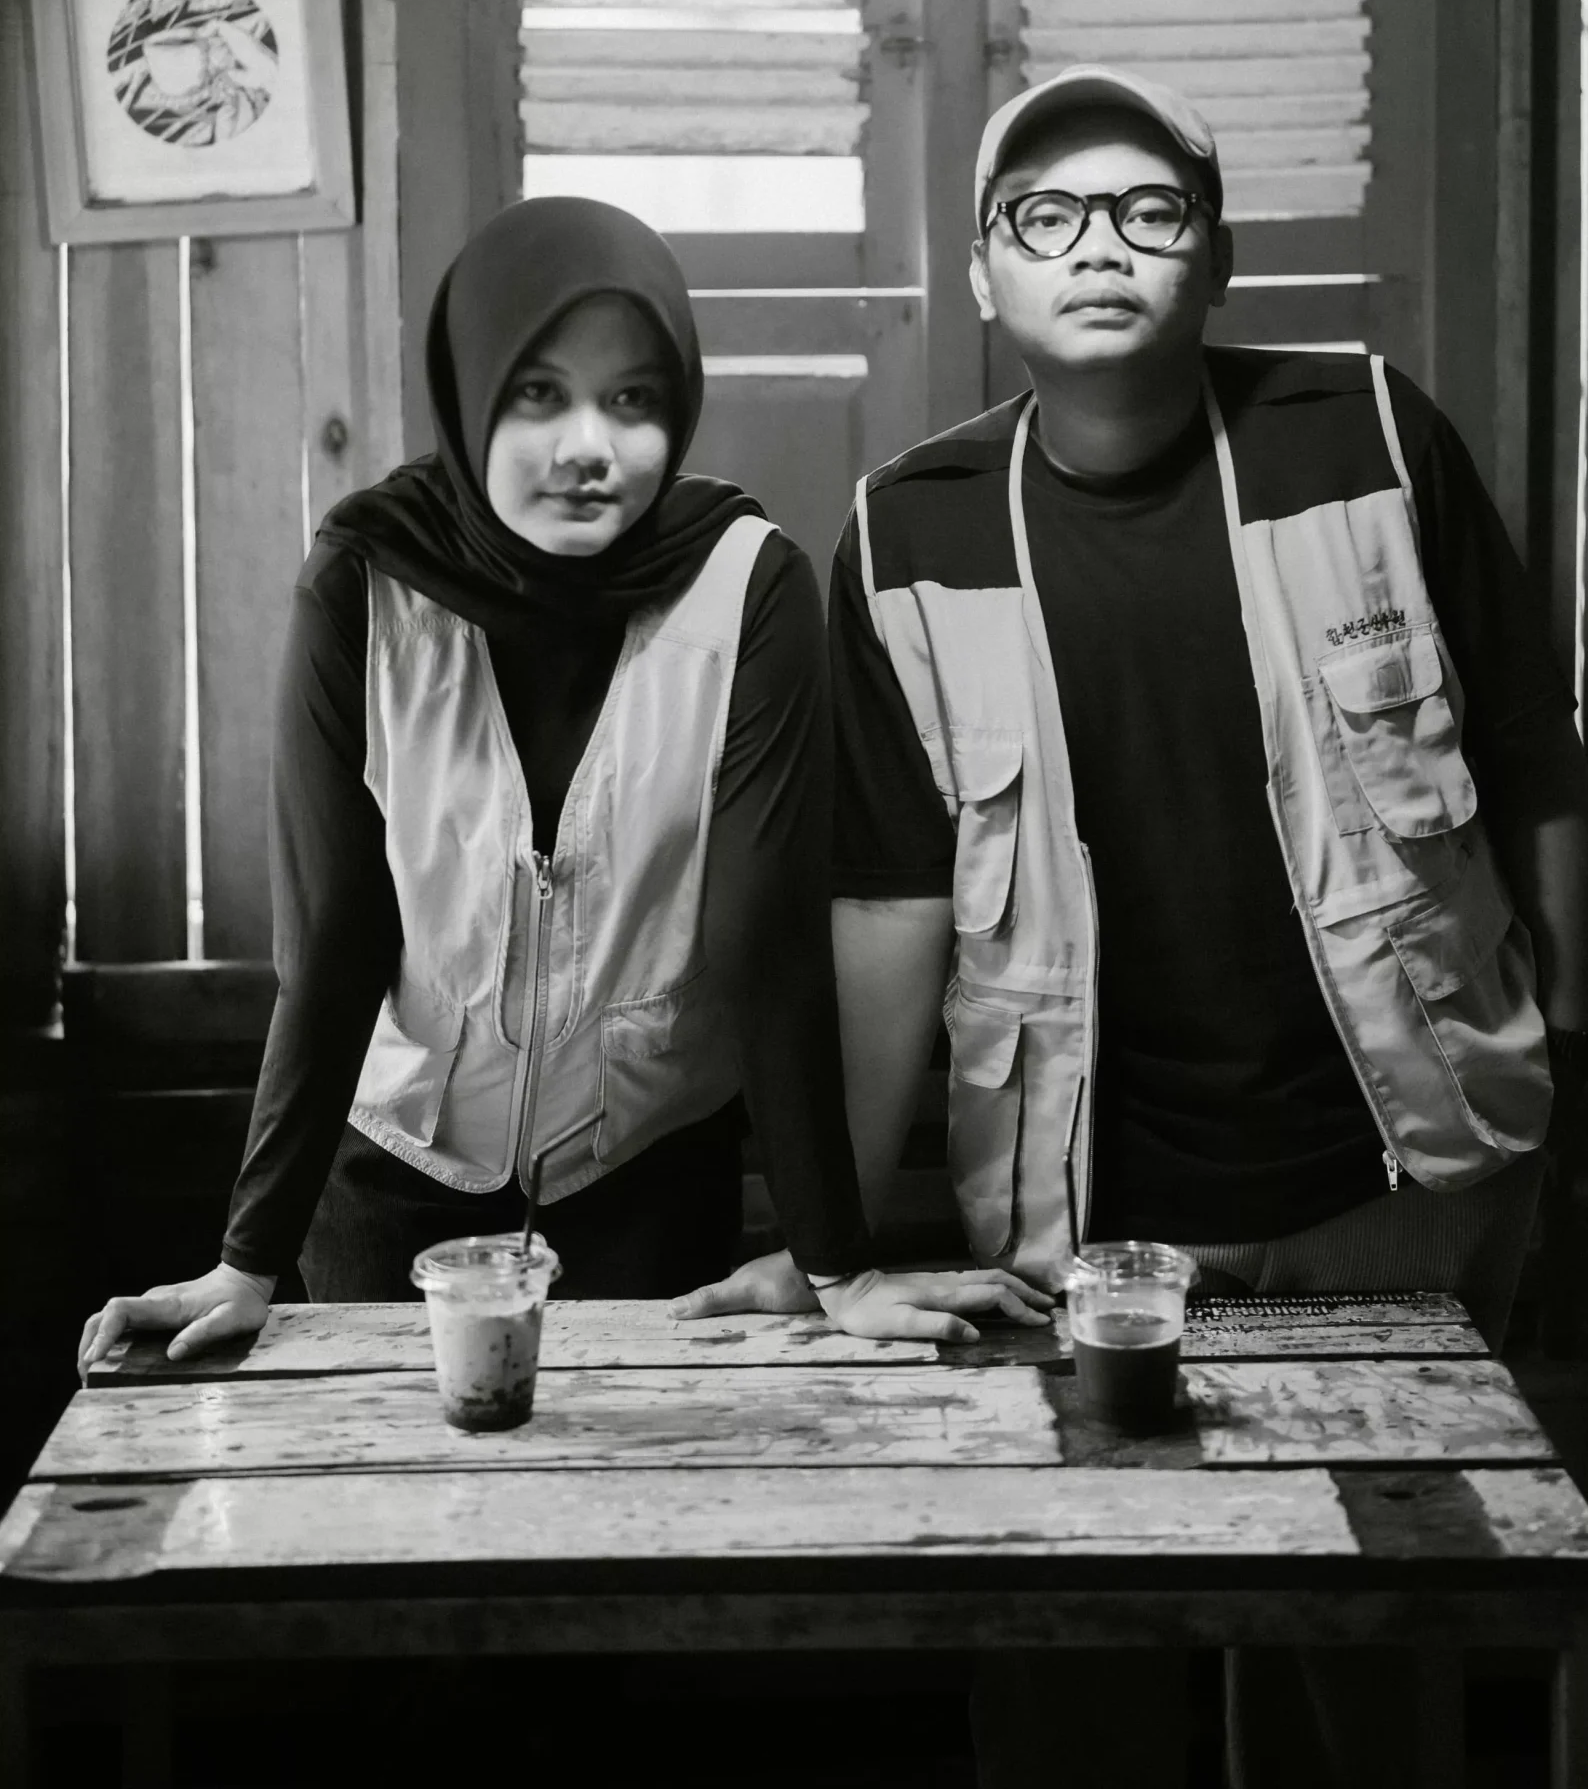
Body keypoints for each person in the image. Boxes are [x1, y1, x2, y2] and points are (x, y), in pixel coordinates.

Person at [814, 67, 1588, 1786]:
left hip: (1395, 1188)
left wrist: (1572, 1064)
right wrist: (839, 1234)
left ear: (1217, 255)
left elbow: (1532, 757)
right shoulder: (910, 529)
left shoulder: (1364, 436)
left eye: (1147, 209)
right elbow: (887, 895)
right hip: (1085, 1220)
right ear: (983, 273)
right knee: (1072, 1677)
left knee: (1371, 1684)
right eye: (1045, 216)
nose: (1098, 245)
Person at [80, 199, 1047, 1376]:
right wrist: (246, 1260)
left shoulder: (749, 583)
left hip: (646, 1181)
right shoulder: (363, 581)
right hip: (393, 1177)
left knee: (646, 1491)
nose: (588, 444)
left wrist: (836, 1264)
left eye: (632, 398)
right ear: (471, 389)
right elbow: (334, 936)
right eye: (538, 394)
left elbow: (764, 939)